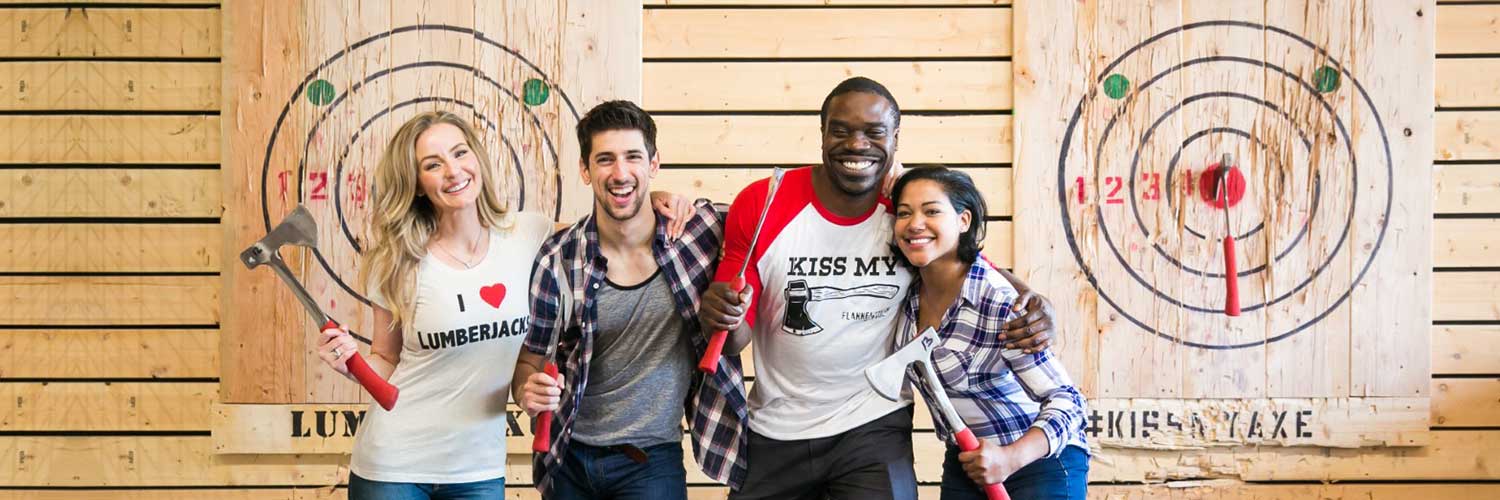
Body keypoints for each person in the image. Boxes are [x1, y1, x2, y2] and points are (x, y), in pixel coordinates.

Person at [697, 77, 1059, 500]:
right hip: (776, 429)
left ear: (895, 139)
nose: (857, 144)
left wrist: (1036, 301)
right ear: (822, 134)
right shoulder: (765, 202)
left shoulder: (906, 210)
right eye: (841, 130)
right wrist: (720, 318)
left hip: (873, 424)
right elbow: (730, 339)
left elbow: (967, 265)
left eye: (874, 132)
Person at [315, 110, 693, 500]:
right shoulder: (397, 258)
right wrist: (349, 364)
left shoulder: (529, 234)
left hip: (478, 468)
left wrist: (659, 198)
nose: (452, 170)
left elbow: (609, 224)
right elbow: (385, 360)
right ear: (416, 183)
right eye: (432, 164)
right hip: (394, 464)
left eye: (460, 153)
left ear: (477, 159)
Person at [514, 100, 750, 499]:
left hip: (651, 459)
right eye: (605, 159)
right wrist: (525, 391)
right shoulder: (559, 258)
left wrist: (891, 188)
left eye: (633, 157)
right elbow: (529, 361)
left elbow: (769, 211)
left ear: (654, 164)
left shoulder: (700, 230)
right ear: (586, 171)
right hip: (569, 456)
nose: (620, 173)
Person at [890, 166, 1089, 500]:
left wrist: (1009, 458)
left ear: (963, 221)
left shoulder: (999, 302)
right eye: (904, 213)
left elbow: (1069, 403)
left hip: (1037, 460)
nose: (915, 224)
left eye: (932, 211)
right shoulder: (906, 294)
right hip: (967, 461)